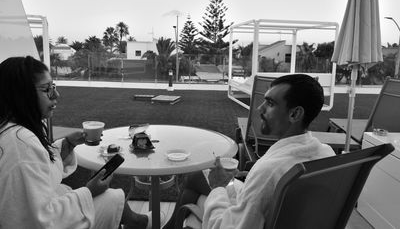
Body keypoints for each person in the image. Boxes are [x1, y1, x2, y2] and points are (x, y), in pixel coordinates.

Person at [163, 74, 336, 229]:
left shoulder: (269, 171)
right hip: (289, 215)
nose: (259, 109)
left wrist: (218, 187)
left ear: (295, 114)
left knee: (197, 191)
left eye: (270, 103)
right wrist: (250, 176)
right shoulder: (326, 154)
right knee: (196, 179)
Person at [0, 56, 152, 229]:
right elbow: (40, 220)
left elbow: (37, 175)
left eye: (54, 87)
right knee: (112, 198)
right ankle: (142, 223)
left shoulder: (11, 132)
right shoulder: (21, 144)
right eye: (47, 89)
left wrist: (66, 145)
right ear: (21, 94)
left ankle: (139, 223)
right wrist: (89, 191)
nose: (56, 95)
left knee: (108, 196)